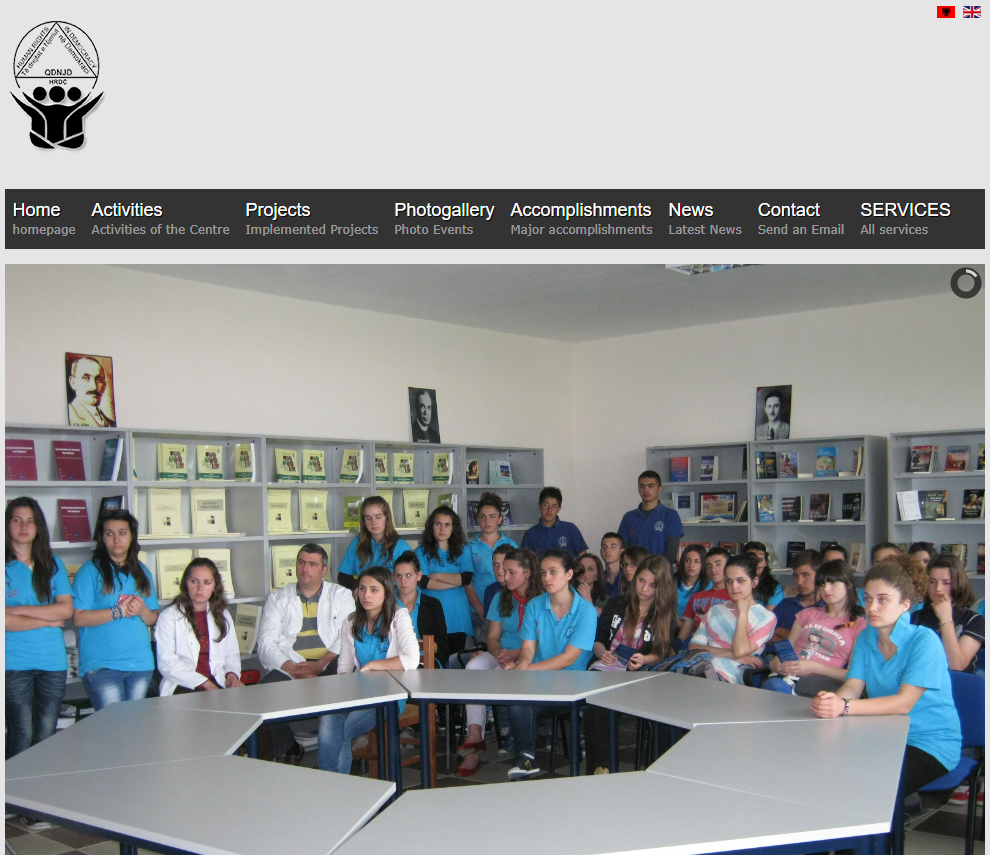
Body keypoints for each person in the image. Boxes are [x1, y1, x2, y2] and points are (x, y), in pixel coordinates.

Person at [812, 561, 961, 797]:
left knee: (873, 787)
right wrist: (833, 701)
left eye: (883, 600)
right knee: (826, 767)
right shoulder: (866, 636)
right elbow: (853, 685)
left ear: (904, 605)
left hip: (928, 743)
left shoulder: (924, 641)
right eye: (868, 598)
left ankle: (896, 814)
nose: (872, 607)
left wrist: (844, 707)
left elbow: (903, 703)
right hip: (882, 733)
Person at [256, 544, 356, 763]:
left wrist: (320, 664)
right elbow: (265, 643)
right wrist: (292, 668)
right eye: (301, 562)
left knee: (341, 682)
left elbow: (348, 635)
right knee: (262, 695)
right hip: (292, 665)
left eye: (312, 564)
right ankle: (289, 747)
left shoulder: (341, 595)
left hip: (330, 662)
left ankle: (336, 752)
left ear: (324, 570)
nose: (305, 568)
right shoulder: (278, 598)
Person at [503, 550, 598, 780]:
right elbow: (527, 648)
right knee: (515, 699)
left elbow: (568, 658)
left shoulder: (586, 611)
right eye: (543, 573)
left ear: (569, 574)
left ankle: (525, 755)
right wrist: (522, 665)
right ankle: (526, 757)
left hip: (572, 683)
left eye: (553, 572)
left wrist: (524, 669)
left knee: (522, 701)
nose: (547, 578)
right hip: (538, 679)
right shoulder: (535, 605)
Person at [319, 566, 419, 774]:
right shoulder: (351, 621)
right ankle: (329, 782)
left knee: (342, 731)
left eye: (374, 590)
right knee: (329, 718)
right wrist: (343, 693)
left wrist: (373, 665)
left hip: (389, 695)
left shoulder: (399, 617)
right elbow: (344, 667)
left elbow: (412, 659)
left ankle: (335, 783)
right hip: (358, 692)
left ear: (386, 593)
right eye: (362, 589)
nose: (366, 595)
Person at [585, 555, 679, 773]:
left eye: (652, 585)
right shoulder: (616, 604)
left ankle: (660, 770)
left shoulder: (666, 615)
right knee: (596, 706)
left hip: (641, 675)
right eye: (641, 581)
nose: (644, 589)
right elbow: (598, 640)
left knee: (665, 709)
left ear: (662, 588)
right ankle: (602, 767)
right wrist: (602, 653)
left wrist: (645, 659)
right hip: (607, 669)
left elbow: (661, 652)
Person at [456, 548, 542, 776]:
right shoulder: (500, 596)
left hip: (530, 655)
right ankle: (475, 733)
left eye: (512, 572)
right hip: (502, 653)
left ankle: (516, 738)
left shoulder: (542, 598)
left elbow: (542, 640)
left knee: (508, 673)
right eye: (504, 570)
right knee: (473, 667)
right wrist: (499, 653)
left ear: (528, 572)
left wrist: (515, 654)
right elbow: (492, 637)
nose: (505, 576)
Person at [5, 499, 73, 768]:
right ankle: (14, 791)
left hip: (52, 662)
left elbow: (65, 610)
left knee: (46, 736)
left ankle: (39, 793)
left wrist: (19, 610)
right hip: (13, 663)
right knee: (21, 734)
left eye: (30, 521)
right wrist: (46, 620)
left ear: (39, 527)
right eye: (17, 520)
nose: (24, 526)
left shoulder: (52, 564)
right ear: (7, 524)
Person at [72, 510, 158, 709]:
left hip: (140, 663)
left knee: (134, 724)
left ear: (132, 536)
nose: (116, 539)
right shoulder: (89, 571)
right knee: (112, 726)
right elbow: (78, 618)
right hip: (102, 665)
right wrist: (117, 611)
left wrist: (142, 610)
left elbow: (152, 619)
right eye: (109, 533)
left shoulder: (142, 571)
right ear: (102, 538)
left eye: (122, 533)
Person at [763, 559, 866, 695]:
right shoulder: (807, 614)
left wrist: (815, 668)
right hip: (788, 676)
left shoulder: (859, 625)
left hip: (822, 683)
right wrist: (774, 663)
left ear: (848, 584)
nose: (826, 589)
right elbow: (786, 650)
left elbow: (852, 676)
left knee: (779, 689)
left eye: (833, 582)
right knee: (774, 686)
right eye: (822, 584)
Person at [155, 558, 243, 695]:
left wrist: (232, 676)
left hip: (217, 681)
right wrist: (206, 684)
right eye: (194, 581)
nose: (200, 588)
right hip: (183, 685)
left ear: (215, 586)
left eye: (207, 582)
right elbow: (167, 663)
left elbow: (231, 655)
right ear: (185, 583)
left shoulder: (223, 615)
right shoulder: (169, 616)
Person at [689, 554, 777, 684]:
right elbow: (694, 647)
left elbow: (740, 651)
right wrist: (729, 654)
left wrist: (743, 613)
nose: (734, 586)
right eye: (729, 581)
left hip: (732, 676)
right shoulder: (715, 610)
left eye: (740, 580)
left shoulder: (766, 617)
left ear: (754, 582)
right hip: (700, 668)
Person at [416, 506, 474, 654]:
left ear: (453, 528)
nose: (442, 529)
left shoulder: (463, 550)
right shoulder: (421, 552)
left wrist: (437, 575)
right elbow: (424, 582)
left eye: (447, 525)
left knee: (456, 660)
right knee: (434, 659)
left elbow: (466, 578)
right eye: (438, 524)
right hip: (431, 612)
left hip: (457, 614)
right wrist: (456, 582)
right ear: (431, 526)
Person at [911, 555, 984, 672]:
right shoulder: (914, 617)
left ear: (958, 585)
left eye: (946, 583)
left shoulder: (975, 620)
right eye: (932, 582)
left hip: (956, 681)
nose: (938, 588)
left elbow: (956, 665)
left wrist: (946, 619)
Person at [336, 496, 414, 590]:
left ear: (387, 518)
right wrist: (359, 588)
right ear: (364, 521)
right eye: (368, 518)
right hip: (364, 595)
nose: (373, 522)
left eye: (378, 517)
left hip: (391, 596)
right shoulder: (357, 543)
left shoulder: (401, 547)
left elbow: (408, 582)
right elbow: (343, 577)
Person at [468, 493, 516, 642]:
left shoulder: (510, 545)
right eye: (483, 516)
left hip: (507, 608)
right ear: (477, 519)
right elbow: (467, 583)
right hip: (479, 609)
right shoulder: (470, 548)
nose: (487, 521)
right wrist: (481, 611)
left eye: (492, 516)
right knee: (482, 648)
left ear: (500, 519)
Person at [393, 550, 449, 667]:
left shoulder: (433, 604)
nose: (403, 581)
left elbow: (442, 644)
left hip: (425, 660)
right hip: (394, 659)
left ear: (418, 576)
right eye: (398, 576)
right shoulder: (387, 604)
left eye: (408, 575)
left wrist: (416, 648)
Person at [617, 471, 683, 564]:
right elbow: (624, 550)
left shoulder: (671, 515)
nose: (646, 490)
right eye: (642, 486)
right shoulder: (629, 517)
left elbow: (671, 553)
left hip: (661, 570)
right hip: (634, 570)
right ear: (638, 489)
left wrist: (654, 570)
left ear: (659, 489)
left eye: (651, 486)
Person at [678, 548, 731, 642]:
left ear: (729, 566)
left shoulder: (735, 597)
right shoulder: (696, 597)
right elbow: (683, 634)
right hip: (696, 644)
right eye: (709, 566)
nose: (713, 569)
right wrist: (675, 648)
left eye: (718, 564)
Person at [770, 549, 823, 642]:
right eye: (796, 576)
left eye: (805, 575)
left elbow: (814, 642)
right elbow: (767, 635)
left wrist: (780, 631)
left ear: (820, 575)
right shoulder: (786, 604)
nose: (799, 582)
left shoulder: (827, 608)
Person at [521, 487, 588, 558]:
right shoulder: (530, 534)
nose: (549, 510)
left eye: (554, 506)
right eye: (546, 505)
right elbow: (524, 561)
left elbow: (584, 558)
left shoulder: (571, 529)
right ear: (539, 506)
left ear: (559, 509)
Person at [66, 354, 115, 427]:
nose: (94, 387)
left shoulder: (112, 423)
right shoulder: (70, 415)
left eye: (98, 380)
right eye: (86, 378)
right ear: (73, 383)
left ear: (104, 386)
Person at [744, 541, 784, 609]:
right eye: (752, 560)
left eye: (760, 560)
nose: (756, 564)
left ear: (765, 563)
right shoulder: (735, 584)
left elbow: (771, 614)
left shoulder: (774, 588)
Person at [674, 544, 709, 621]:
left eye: (696, 561)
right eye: (687, 560)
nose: (691, 565)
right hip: (671, 623)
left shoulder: (709, 586)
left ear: (703, 564)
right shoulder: (672, 581)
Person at [483, 543, 515, 616]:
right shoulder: (490, 590)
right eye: (496, 564)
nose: (499, 570)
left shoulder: (522, 590)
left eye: (504, 564)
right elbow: (488, 620)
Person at [600, 532, 625, 599]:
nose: (607, 550)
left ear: (621, 551)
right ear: (600, 552)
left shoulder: (627, 579)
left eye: (613, 546)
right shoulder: (598, 580)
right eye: (604, 546)